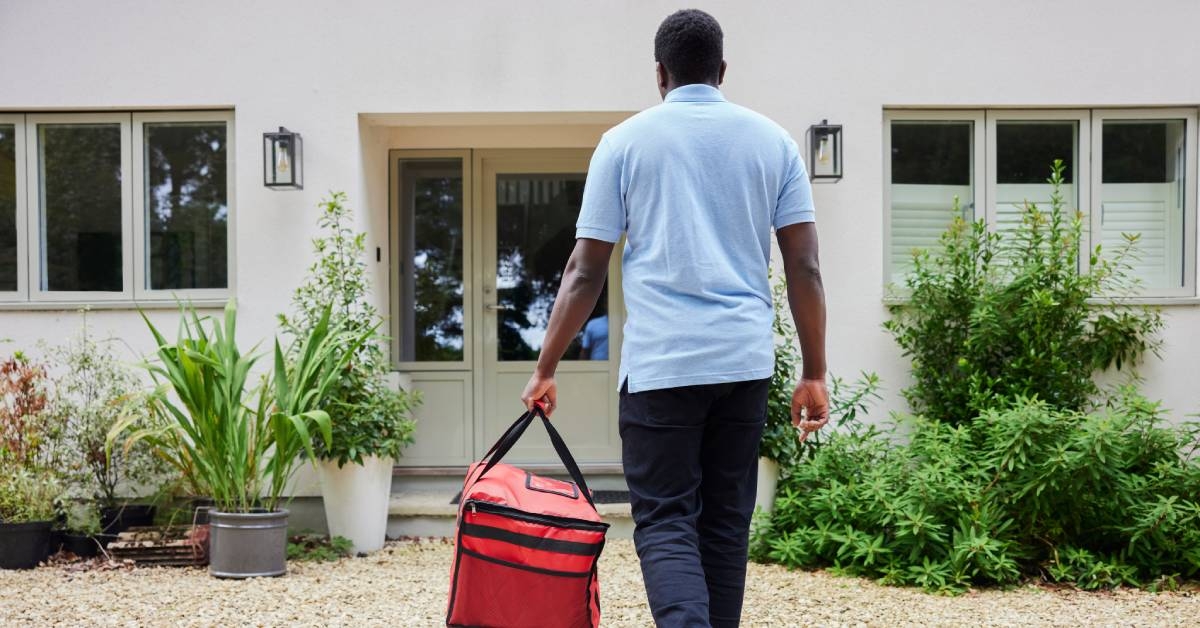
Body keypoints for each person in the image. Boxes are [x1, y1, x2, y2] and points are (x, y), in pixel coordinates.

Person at [520, 8, 828, 627]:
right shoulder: (773, 142)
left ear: (659, 73)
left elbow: (584, 271)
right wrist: (814, 372)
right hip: (742, 365)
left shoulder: (624, 143)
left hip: (661, 367)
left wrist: (546, 365)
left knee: (665, 519)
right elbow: (805, 266)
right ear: (722, 70)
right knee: (726, 521)